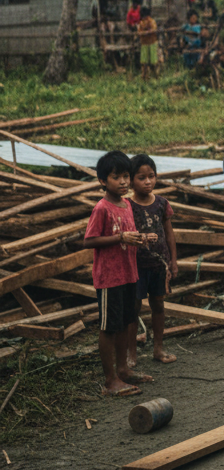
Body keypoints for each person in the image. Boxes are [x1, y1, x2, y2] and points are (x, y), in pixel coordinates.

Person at [83, 151, 153, 397]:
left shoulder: (127, 205)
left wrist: (141, 239)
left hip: (128, 274)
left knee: (126, 323)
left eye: (126, 176)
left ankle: (123, 370)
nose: (123, 182)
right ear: (103, 180)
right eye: (116, 177)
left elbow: (127, 236)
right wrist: (120, 238)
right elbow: (89, 241)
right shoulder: (102, 208)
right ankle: (110, 380)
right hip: (109, 278)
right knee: (109, 327)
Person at [127, 154, 177, 366]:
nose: (148, 181)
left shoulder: (162, 204)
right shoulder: (126, 205)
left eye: (151, 176)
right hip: (135, 266)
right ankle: (131, 354)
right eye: (141, 177)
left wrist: (173, 261)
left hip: (159, 264)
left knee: (158, 305)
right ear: (130, 180)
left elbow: (169, 233)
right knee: (133, 308)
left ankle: (158, 347)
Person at [137, 6, 159, 81]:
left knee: (154, 61)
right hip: (144, 43)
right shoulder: (141, 23)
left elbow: (154, 29)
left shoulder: (151, 21)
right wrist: (145, 33)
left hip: (152, 42)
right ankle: (144, 76)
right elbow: (139, 32)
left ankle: (156, 75)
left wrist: (145, 32)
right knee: (144, 61)